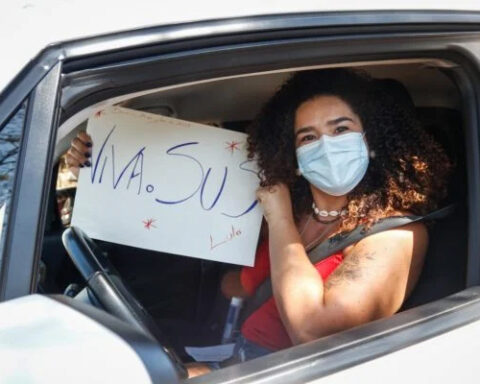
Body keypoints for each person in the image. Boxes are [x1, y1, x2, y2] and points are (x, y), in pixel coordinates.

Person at [65, 68, 451, 377]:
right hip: (239, 358)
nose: (326, 146)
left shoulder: (395, 235)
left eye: (341, 129)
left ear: (371, 141)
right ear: (293, 154)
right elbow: (222, 266)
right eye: (308, 137)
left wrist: (279, 217)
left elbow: (313, 329)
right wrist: (95, 164)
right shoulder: (292, 207)